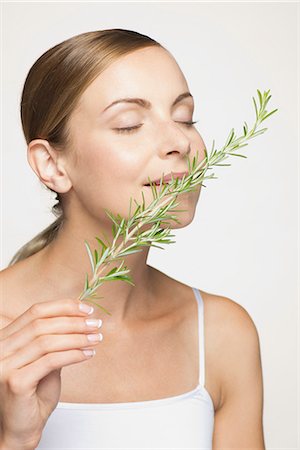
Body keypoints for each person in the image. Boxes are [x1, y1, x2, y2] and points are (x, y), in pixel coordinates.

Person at [0, 28, 265, 449]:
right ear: (52, 164)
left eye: (185, 117)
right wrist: (14, 437)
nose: (181, 141)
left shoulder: (221, 334)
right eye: (129, 124)